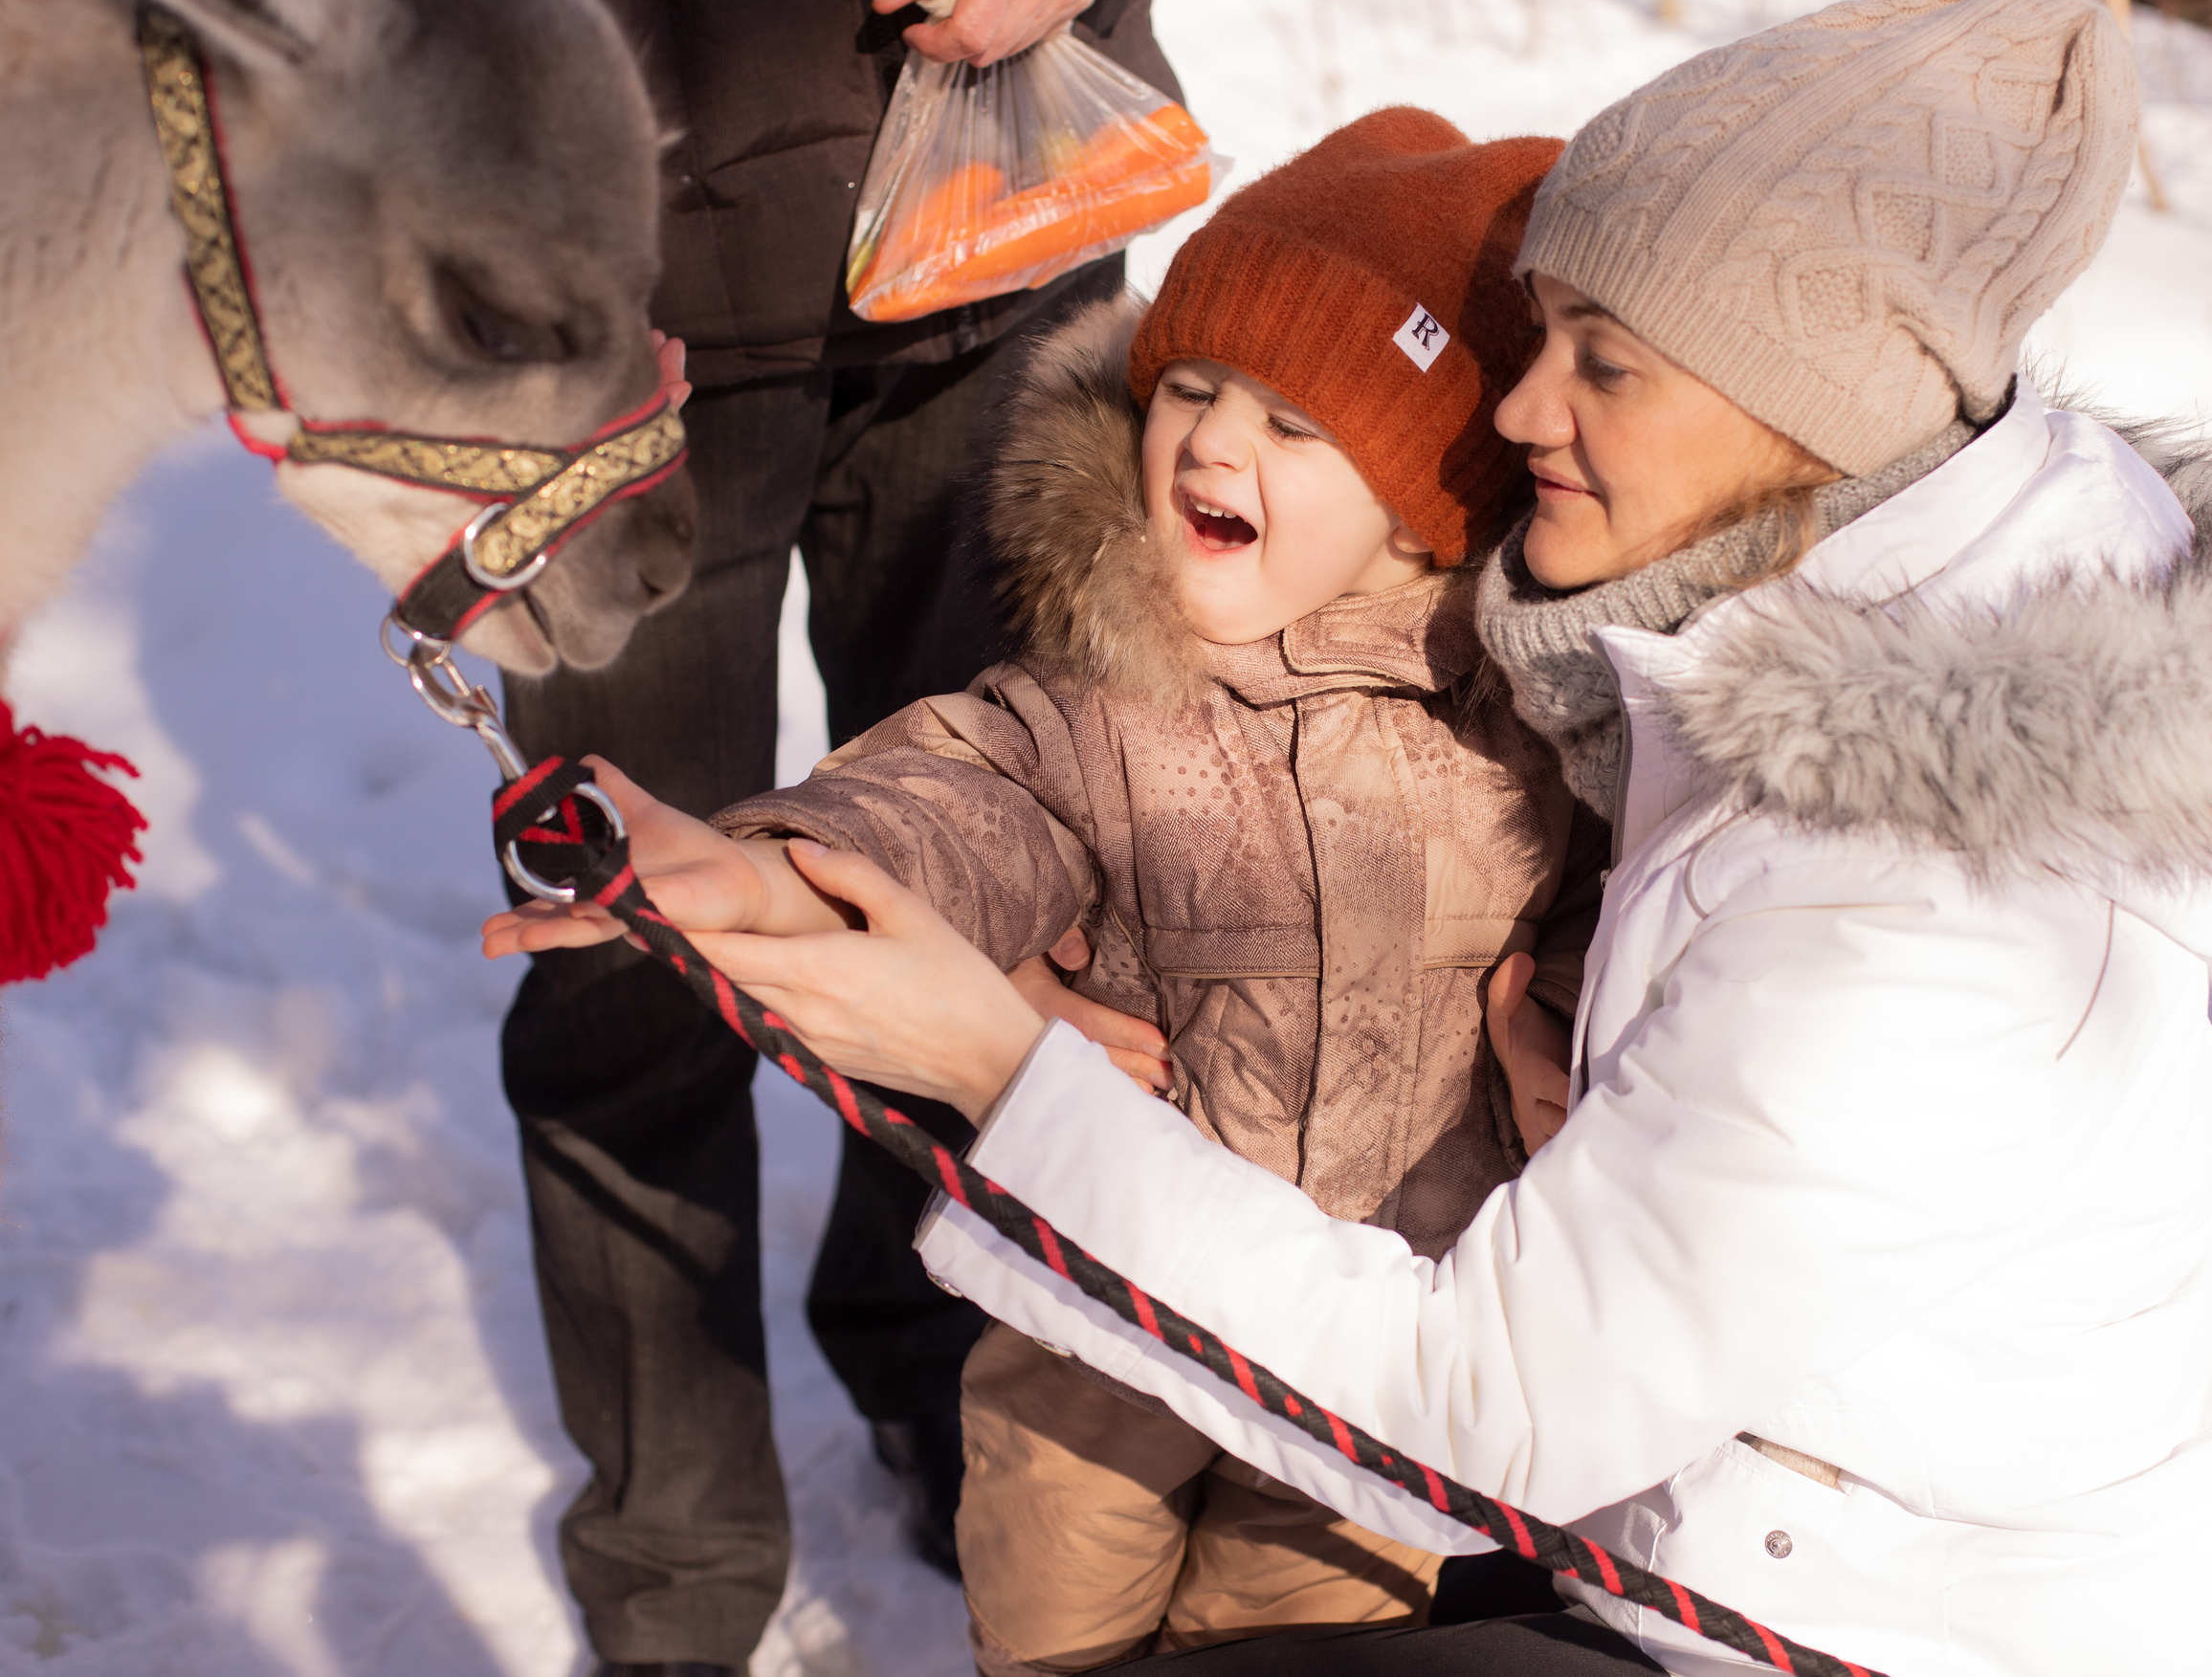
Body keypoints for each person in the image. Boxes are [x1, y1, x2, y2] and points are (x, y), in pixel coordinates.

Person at [590, 0, 2212, 1676]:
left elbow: (1487, 1398)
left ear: (1803, 410)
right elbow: (996, 780)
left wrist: (994, 1064)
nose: (1521, 397)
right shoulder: (1868, 598)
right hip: (1795, 1505)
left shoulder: (1899, 905)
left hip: (1869, 1621)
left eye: (1602, 360)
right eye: (1539, 327)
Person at [485, 108, 1613, 1672]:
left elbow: (1597, 926)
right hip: (1097, 1332)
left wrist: (1555, 1029)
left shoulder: (1528, 734)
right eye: (1198, 393)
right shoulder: (1105, 690)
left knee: (1292, 1654)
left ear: (1428, 500)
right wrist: (760, 872)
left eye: (1296, 428)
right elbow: (948, 799)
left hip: (1372, 1355)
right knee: (1052, 1634)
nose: (1216, 444)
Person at [424, 0, 1218, 1668]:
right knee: (636, 956)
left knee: (1015, 898)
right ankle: (673, 1577)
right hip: (609, 267)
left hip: (1006, 196)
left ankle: (947, 1376)